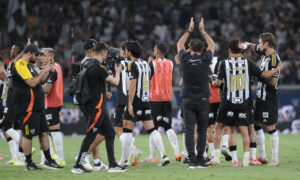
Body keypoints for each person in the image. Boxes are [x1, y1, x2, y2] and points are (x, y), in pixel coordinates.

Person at [212, 39, 281, 167]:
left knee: (225, 129)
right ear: (242, 50)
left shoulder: (224, 64)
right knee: (248, 131)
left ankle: (226, 159)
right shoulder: (248, 63)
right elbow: (264, 75)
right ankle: (249, 158)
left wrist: (213, 82)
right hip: (244, 102)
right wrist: (277, 69)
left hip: (228, 102)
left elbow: (219, 83)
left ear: (229, 50)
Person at [71, 42, 125, 173]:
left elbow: (95, 83)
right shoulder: (97, 68)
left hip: (97, 105)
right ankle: (77, 166)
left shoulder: (89, 65)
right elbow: (116, 82)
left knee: (110, 133)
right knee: (90, 135)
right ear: (104, 53)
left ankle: (113, 165)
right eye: (106, 54)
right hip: (96, 107)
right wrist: (117, 72)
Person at [119, 40, 170, 167]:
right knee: (152, 130)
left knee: (126, 130)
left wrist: (130, 104)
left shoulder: (132, 65)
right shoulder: (147, 65)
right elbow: (150, 83)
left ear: (130, 52)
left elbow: (133, 84)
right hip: (146, 101)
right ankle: (164, 155)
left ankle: (124, 160)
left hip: (136, 101)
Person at [12, 44, 62, 170]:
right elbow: (32, 83)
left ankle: (48, 160)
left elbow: (41, 81)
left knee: (44, 133)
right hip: (27, 107)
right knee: (28, 135)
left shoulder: (31, 66)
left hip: (37, 106)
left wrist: (49, 72)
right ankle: (29, 163)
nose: (38, 57)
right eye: (37, 54)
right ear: (30, 54)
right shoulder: (20, 65)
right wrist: (44, 70)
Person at [176, 17, 215, 169]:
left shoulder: (184, 59)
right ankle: (200, 159)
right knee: (203, 130)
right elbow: (212, 44)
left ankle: (191, 160)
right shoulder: (206, 59)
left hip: (188, 99)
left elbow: (179, 44)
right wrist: (203, 31)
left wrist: (189, 30)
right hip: (204, 98)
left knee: (189, 130)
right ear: (202, 49)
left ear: (190, 48)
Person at [239, 32, 282, 165]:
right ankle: (262, 156)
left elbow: (273, 82)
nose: (258, 45)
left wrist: (259, 75)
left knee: (270, 127)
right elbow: (253, 47)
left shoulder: (274, 59)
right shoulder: (264, 54)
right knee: (257, 125)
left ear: (266, 44)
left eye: (260, 42)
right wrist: (246, 44)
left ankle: (275, 159)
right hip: (260, 97)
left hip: (269, 97)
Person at [145, 43, 181, 162]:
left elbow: (146, 79)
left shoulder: (153, 64)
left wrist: (148, 65)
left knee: (153, 128)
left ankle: (153, 156)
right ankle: (177, 153)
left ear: (157, 51)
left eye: (154, 49)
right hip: (167, 98)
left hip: (155, 99)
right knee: (168, 126)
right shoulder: (170, 63)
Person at [112, 41, 142, 167]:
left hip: (122, 100)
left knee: (117, 128)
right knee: (128, 130)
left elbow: (114, 80)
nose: (120, 52)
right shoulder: (135, 63)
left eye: (121, 50)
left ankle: (132, 151)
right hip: (132, 99)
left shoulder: (119, 63)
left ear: (124, 51)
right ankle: (129, 154)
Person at [1, 44, 26, 165]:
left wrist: (5, 79)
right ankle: (19, 157)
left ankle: (26, 149)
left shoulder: (15, 63)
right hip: (18, 98)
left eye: (12, 49)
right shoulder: (20, 63)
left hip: (12, 98)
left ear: (17, 51)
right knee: (18, 127)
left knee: (6, 126)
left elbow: (10, 83)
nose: (11, 51)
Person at [40, 48, 65, 166]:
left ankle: (60, 158)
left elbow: (47, 90)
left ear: (51, 57)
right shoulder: (57, 66)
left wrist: (32, 86)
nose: (41, 58)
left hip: (50, 104)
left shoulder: (53, 70)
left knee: (54, 132)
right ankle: (53, 155)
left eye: (43, 55)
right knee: (44, 131)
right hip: (55, 103)